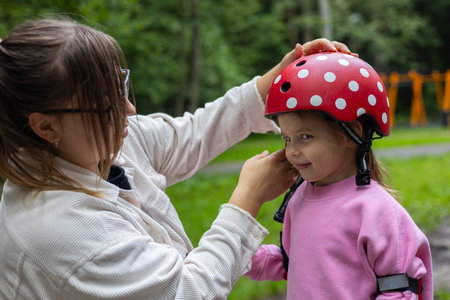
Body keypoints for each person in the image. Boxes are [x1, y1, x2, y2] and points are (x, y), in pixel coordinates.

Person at [0, 18, 354, 299]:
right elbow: (187, 291)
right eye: (107, 106)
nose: (129, 109)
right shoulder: (60, 230)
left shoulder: (98, 144)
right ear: (46, 126)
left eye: (120, 86)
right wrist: (248, 199)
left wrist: (269, 85)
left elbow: (195, 133)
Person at [246, 52, 433, 299]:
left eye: (305, 137)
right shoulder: (299, 198)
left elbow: (399, 290)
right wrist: (237, 257)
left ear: (350, 133)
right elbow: (292, 262)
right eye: (287, 138)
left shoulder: (376, 211)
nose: (291, 151)